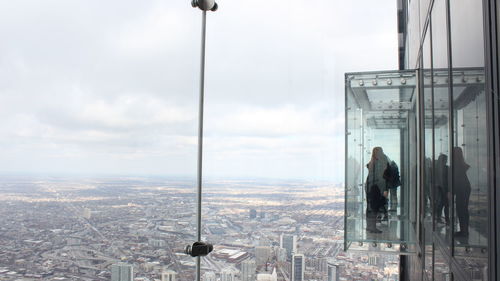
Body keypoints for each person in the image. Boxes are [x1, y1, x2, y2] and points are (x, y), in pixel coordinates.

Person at [365, 147, 389, 233]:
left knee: (370, 206)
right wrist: (384, 189)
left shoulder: (373, 161)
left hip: (370, 185)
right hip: (375, 186)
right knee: (374, 207)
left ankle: (369, 226)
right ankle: (372, 227)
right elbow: (382, 177)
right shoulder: (379, 161)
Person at [453, 147, 471, 237]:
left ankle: (464, 231)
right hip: (465, 187)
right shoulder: (460, 163)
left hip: (462, 188)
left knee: (461, 209)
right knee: (463, 209)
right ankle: (464, 230)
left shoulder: (457, 164)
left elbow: (456, 179)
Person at [435, 154, 449, 225]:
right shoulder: (446, 168)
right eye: (445, 159)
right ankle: (446, 220)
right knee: (444, 204)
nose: (446, 161)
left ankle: (440, 218)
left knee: (442, 204)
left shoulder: (437, 168)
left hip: (441, 188)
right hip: (443, 188)